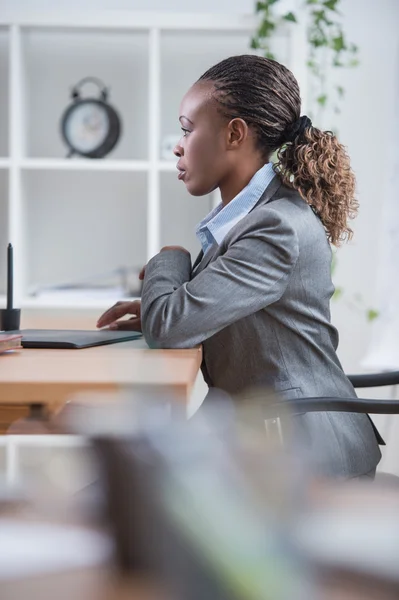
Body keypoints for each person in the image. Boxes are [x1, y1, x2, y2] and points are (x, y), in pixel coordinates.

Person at [97, 54, 382, 478]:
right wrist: (171, 308)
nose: (178, 144)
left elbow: (169, 328)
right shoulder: (257, 218)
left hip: (298, 449)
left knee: (116, 496)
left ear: (234, 134)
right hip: (261, 431)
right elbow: (199, 314)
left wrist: (169, 259)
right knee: (116, 490)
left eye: (187, 130)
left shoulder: (274, 227)